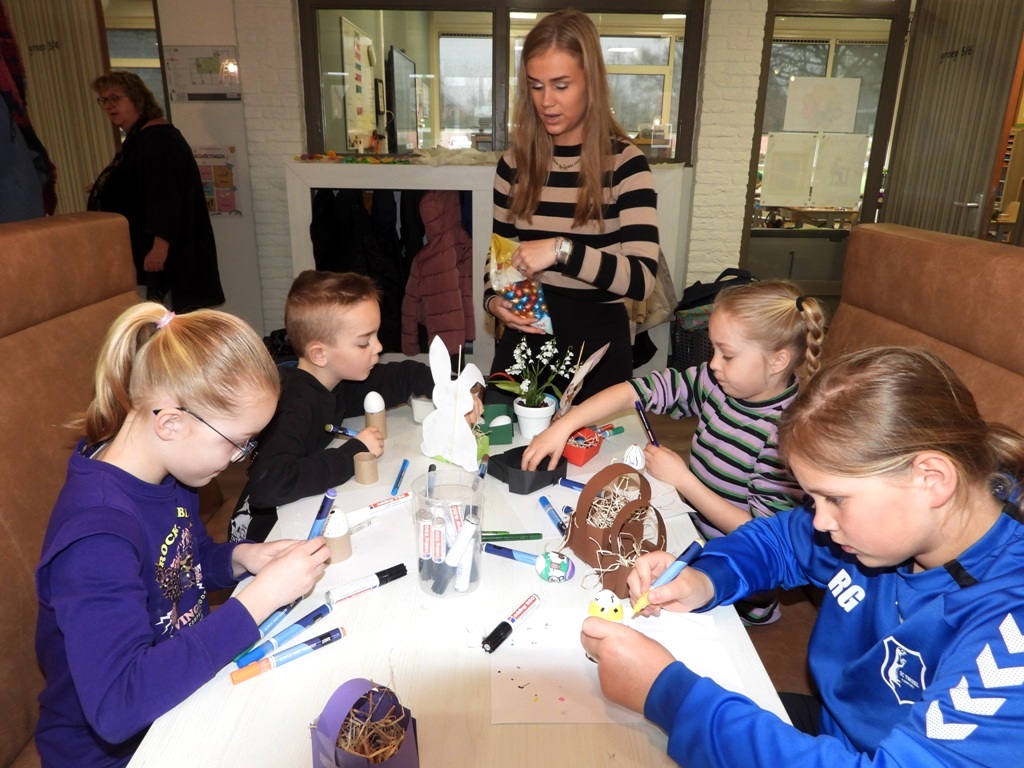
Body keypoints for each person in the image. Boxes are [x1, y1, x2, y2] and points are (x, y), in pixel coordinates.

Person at [581, 346, 1024, 768]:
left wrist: (669, 695)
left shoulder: (1009, 638)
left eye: (836, 500)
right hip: (835, 732)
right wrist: (706, 578)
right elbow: (780, 540)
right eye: (814, 500)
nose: (820, 522)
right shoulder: (883, 528)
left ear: (932, 479)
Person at [34, 303, 331, 768]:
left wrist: (241, 558)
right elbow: (118, 704)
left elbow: (177, 566)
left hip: (181, 703)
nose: (239, 459)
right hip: (121, 753)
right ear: (171, 422)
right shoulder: (96, 538)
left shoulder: (168, 474)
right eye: (237, 442)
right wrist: (260, 600)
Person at [524, 280, 827, 624]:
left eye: (727, 355)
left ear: (777, 361)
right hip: (690, 542)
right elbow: (635, 391)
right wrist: (563, 426)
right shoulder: (717, 383)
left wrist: (683, 481)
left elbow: (762, 536)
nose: (713, 364)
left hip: (736, 594)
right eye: (713, 350)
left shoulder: (787, 437)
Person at [483, 9, 659, 404]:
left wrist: (562, 250)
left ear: (591, 82)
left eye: (561, 85)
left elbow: (642, 279)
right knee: (497, 437)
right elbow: (501, 257)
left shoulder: (626, 165)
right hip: (527, 336)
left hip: (597, 348)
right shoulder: (513, 164)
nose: (546, 101)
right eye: (536, 86)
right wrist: (495, 301)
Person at [229, 271, 482, 543]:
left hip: (299, 513)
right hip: (264, 534)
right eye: (364, 342)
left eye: (376, 336)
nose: (379, 347)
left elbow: (404, 376)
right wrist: (355, 452)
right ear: (319, 354)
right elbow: (269, 485)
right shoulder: (294, 404)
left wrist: (452, 391)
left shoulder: (335, 379)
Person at [88, 71, 224, 312]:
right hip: (147, 251)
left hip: (165, 257)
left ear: (136, 98)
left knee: (165, 318)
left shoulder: (158, 140)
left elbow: (166, 196)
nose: (108, 106)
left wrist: (160, 247)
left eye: (115, 98)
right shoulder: (139, 139)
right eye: (104, 100)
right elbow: (137, 184)